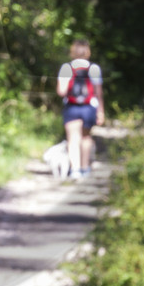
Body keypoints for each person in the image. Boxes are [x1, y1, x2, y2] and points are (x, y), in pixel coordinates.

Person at [56, 38, 104, 180]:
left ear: (73, 51)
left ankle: (75, 169)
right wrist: (101, 111)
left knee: (73, 139)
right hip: (89, 108)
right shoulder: (94, 68)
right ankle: (85, 168)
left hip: (71, 107)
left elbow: (61, 91)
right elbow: (99, 93)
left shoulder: (67, 67)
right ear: (87, 52)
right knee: (86, 137)